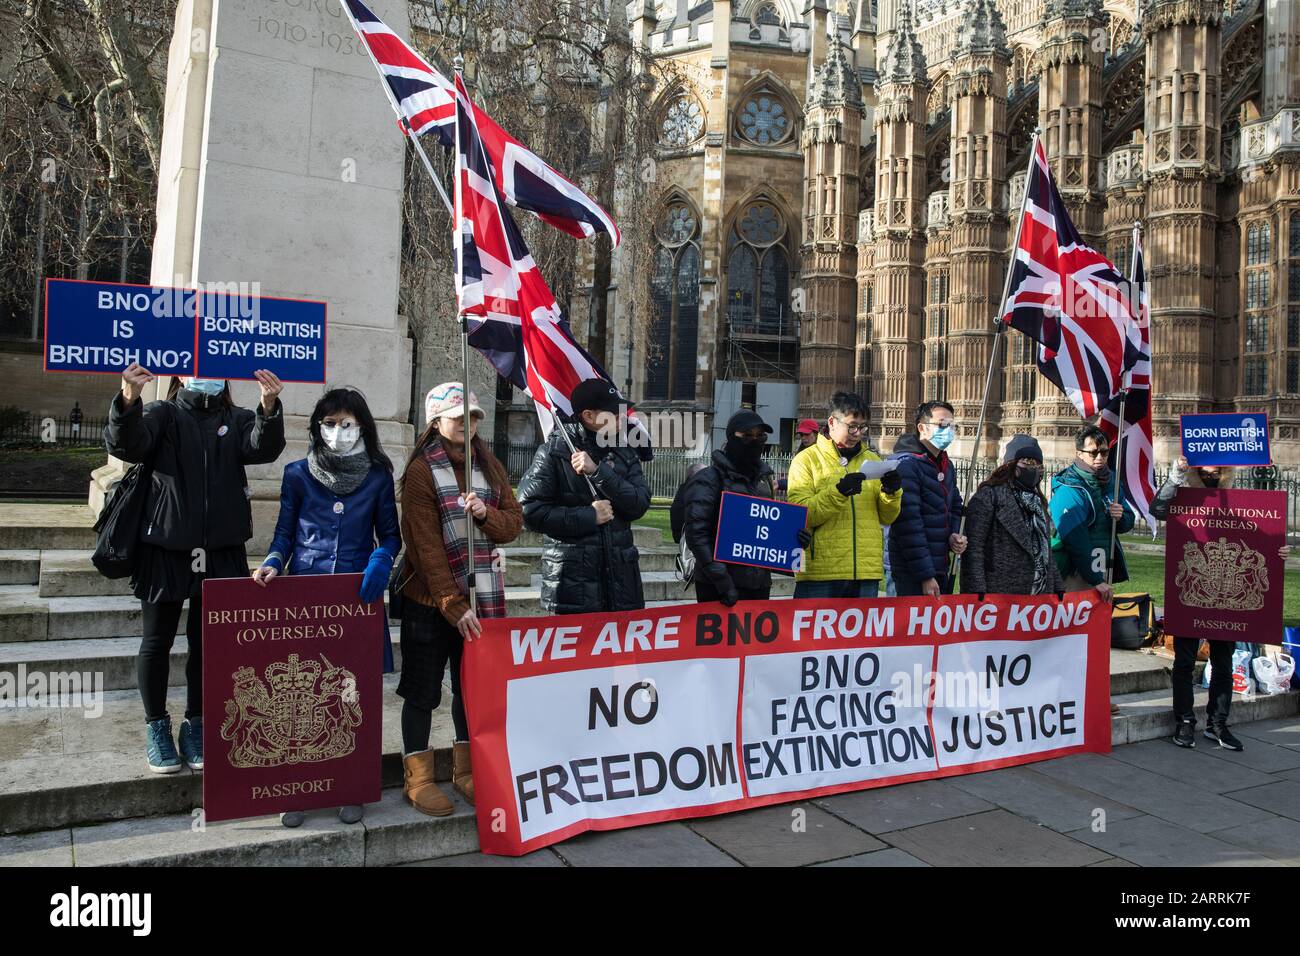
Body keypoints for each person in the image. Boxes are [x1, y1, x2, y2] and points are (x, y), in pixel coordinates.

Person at [104, 365, 285, 774]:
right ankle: (156, 726)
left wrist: (268, 406)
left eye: (218, 369)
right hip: (166, 549)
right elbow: (126, 445)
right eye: (199, 369)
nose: (208, 376)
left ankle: (196, 722)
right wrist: (128, 399)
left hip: (220, 551)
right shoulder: (163, 415)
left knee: (207, 644)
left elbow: (263, 447)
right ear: (181, 376)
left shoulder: (235, 419)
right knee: (157, 641)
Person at [252, 387, 401, 827]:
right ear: (318, 427)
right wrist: (273, 563)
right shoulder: (298, 474)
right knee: (299, 696)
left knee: (351, 697)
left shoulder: (377, 476)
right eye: (331, 423)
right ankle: (296, 787)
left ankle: (349, 784)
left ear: (363, 428)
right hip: (306, 599)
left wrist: (380, 560)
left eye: (348, 424)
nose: (339, 432)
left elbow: (390, 536)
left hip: (358, 599)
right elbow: (283, 536)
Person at [396, 383, 521, 815]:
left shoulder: (489, 464)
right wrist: (452, 603)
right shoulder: (420, 471)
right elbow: (425, 546)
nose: (467, 425)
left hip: (481, 595)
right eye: (457, 417)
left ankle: (466, 771)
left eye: (472, 418)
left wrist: (487, 516)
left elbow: (513, 524)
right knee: (422, 690)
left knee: (470, 689)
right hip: (431, 603)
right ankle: (418, 777)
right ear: (436, 421)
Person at [1148, 456, 1289, 751]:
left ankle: (1218, 724)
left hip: (1227, 599)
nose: (1212, 471)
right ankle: (1184, 721)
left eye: (1218, 466)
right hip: (1194, 595)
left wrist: (1279, 550)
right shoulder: (1182, 492)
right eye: (1207, 465)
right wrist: (1175, 476)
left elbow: (1261, 536)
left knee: (1223, 664)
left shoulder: (1237, 499)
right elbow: (1157, 509)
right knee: (1184, 662)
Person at [518, 379, 651, 614]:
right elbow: (530, 511)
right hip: (571, 587)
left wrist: (600, 472)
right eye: (614, 411)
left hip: (621, 587)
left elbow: (639, 504)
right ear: (589, 416)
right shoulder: (555, 451)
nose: (623, 417)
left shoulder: (624, 452)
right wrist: (589, 516)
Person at [787, 392, 902, 599]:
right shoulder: (806, 460)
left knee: (862, 632)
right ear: (832, 422)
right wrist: (838, 492)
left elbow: (887, 517)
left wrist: (891, 493)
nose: (857, 433)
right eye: (852, 426)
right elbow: (800, 515)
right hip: (821, 573)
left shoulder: (873, 459)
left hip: (865, 572)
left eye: (863, 427)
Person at [681, 409, 777, 605]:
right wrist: (722, 580)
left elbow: (766, 527)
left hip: (758, 584)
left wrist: (792, 537)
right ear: (731, 438)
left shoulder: (763, 481)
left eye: (760, 436)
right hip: (718, 586)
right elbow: (697, 534)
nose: (755, 441)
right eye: (747, 436)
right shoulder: (709, 479)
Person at [961, 435, 1064, 597]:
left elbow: (1046, 551)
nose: (1034, 468)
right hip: (1001, 594)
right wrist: (977, 591)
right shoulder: (989, 496)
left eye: (1037, 464)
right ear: (1011, 464)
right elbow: (974, 549)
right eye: (1028, 462)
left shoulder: (1038, 501)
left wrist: (1058, 586)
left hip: (1040, 593)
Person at [888, 401, 966, 596]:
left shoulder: (946, 465)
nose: (948, 431)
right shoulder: (907, 465)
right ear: (922, 428)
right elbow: (909, 524)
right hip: (912, 569)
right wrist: (925, 575)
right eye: (942, 425)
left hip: (939, 561)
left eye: (951, 426)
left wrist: (955, 534)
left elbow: (955, 506)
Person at [1049, 424, 1133, 601]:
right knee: (1075, 623)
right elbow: (1074, 538)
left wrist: (1121, 517)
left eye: (1104, 452)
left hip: (1104, 564)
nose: (1099, 457)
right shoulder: (1069, 486)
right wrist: (1094, 578)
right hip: (1076, 570)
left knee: (1099, 624)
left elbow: (1127, 521)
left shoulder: (1112, 481)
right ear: (1079, 453)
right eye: (1093, 453)